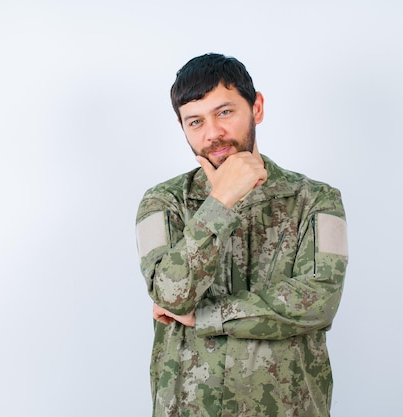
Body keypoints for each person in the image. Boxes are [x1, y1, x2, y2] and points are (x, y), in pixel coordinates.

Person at [135, 53, 348, 417]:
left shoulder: (317, 200)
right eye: (196, 121)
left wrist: (206, 316)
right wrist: (222, 199)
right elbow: (171, 293)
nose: (212, 132)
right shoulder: (163, 202)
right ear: (182, 127)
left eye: (225, 112)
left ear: (257, 107)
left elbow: (318, 302)